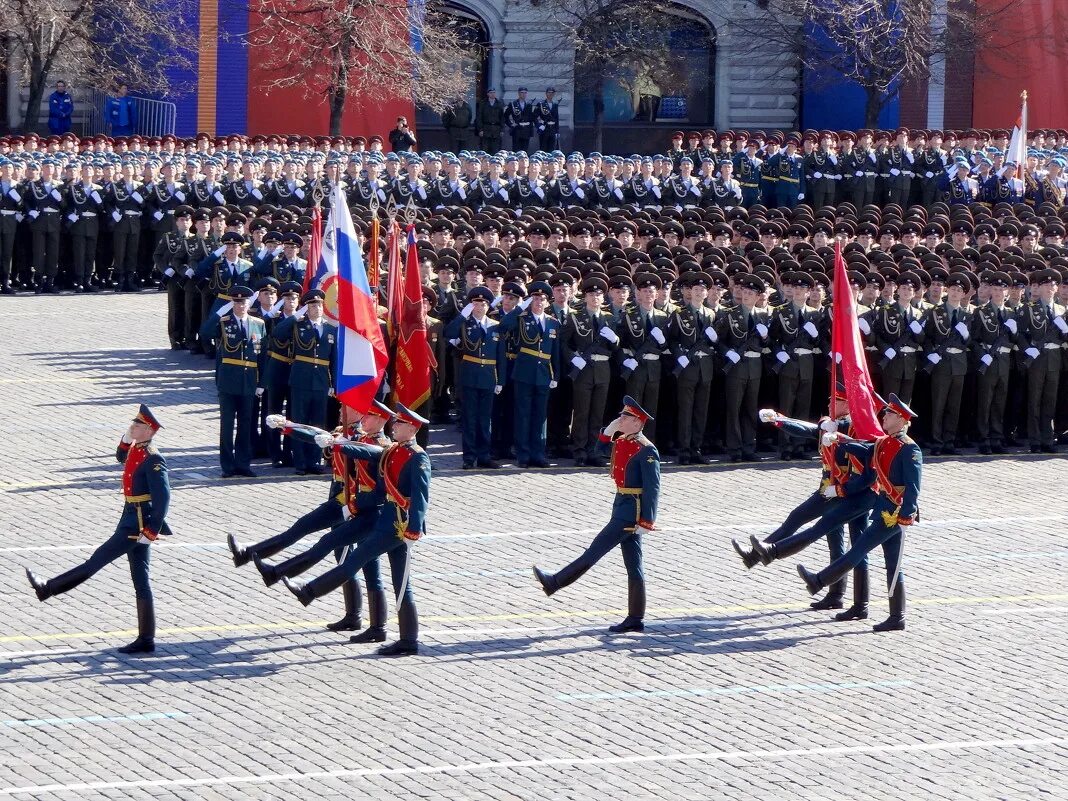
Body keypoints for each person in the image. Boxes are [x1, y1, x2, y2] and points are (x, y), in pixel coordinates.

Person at [280, 403, 432, 658]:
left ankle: (309, 592)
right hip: (388, 520)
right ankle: (406, 639)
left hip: (399, 526)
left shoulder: (418, 457)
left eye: (400, 424)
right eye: (395, 422)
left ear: (412, 428)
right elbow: (371, 466)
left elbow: (420, 497)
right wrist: (336, 446)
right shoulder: (393, 451)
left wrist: (414, 529)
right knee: (401, 583)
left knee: (358, 561)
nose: (395, 426)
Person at [25, 405, 171, 654]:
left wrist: (150, 532)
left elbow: (163, 499)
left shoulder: (153, 458)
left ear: (148, 431)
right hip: (129, 516)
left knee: (95, 561)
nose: (132, 427)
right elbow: (120, 456)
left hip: (136, 524)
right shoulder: (137, 449)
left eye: (137, 425)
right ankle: (146, 639)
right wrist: (127, 437)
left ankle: (48, 588)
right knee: (141, 580)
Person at [246, 401, 395, 638]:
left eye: (369, 416)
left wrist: (340, 446)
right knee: (353, 561)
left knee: (364, 566)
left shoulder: (381, 445)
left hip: (370, 512)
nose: (363, 419)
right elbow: (318, 435)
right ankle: (357, 618)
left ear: (379, 420)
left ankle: (376, 626)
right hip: (354, 507)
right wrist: (289, 427)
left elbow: (367, 456)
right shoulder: (354, 436)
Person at [731, 385, 876, 616]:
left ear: (848, 404)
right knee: (834, 542)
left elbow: (865, 447)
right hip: (828, 489)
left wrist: (839, 434)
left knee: (856, 548)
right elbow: (807, 429)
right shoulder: (829, 423)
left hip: (848, 493)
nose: (829, 403)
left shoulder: (854, 426)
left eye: (835, 401)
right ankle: (836, 596)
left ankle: (860, 604)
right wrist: (779, 420)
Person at [533, 396, 660, 633]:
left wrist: (647, 521)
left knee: (593, 552)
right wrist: (607, 432)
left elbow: (653, 488)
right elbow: (598, 453)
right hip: (621, 505)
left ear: (637, 422)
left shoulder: (647, 450)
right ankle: (635, 618)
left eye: (625, 417)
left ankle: (554, 583)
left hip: (630, 513)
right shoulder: (624, 441)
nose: (620, 419)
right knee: (634, 566)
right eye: (621, 415)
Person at [797, 394, 922, 632]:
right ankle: (896, 616)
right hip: (884, 509)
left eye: (890, 414)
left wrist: (907, 514)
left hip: (894, 514)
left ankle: (819, 581)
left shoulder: (910, 449)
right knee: (893, 564)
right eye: (886, 412)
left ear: (902, 419)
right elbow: (865, 449)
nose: (884, 416)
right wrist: (839, 440)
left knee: (858, 550)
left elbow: (913, 487)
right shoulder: (886, 442)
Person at [200, 286, 267, 478]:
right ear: (232, 304)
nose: (240, 306)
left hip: (249, 381)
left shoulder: (258, 324)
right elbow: (205, 332)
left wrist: (261, 382)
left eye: (243, 302)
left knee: (246, 425)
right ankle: (227, 466)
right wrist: (220, 312)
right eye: (236, 302)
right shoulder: (224, 322)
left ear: (249, 304)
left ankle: (243, 464)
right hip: (228, 380)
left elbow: (261, 356)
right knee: (227, 426)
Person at [269, 288, 338, 474]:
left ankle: (314, 460)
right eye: (312, 305)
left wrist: (334, 385)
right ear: (306, 308)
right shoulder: (298, 325)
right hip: (301, 379)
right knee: (300, 421)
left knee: (318, 423)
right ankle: (300, 461)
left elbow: (335, 360)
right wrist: (294, 317)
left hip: (321, 381)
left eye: (319, 304)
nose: (317, 308)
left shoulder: (331, 329)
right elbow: (277, 333)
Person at [497, 280, 561, 468]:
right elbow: (503, 326)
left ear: (548, 302)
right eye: (535, 298)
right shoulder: (521, 318)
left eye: (542, 299)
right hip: (524, 372)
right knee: (523, 414)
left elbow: (555, 352)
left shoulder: (553, 323)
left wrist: (556, 375)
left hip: (544, 374)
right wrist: (519, 309)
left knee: (540, 416)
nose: (538, 302)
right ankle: (523, 455)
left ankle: (538, 454)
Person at [445, 286, 502, 469]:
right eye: (476, 303)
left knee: (485, 419)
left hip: (488, 377)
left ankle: (484, 456)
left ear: (488, 306)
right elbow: (449, 334)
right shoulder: (464, 324)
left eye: (483, 303)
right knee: (470, 418)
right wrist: (462, 315)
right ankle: (469, 458)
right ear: (471, 305)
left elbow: (500, 356)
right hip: (469, 376)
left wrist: (500, 380)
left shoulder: (495, 326)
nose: (480, 306)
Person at [476, 89, 504, 153]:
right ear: (488, 94)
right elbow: (479, 117)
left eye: (494, 92)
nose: (493, 94)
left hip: (496, 129)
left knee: (495, 149)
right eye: (491, 93)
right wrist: (480, 129)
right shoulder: (483, 103)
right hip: (486, 128)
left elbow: (502, 118)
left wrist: (502, 129)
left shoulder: (499, 104)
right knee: (485, 149)